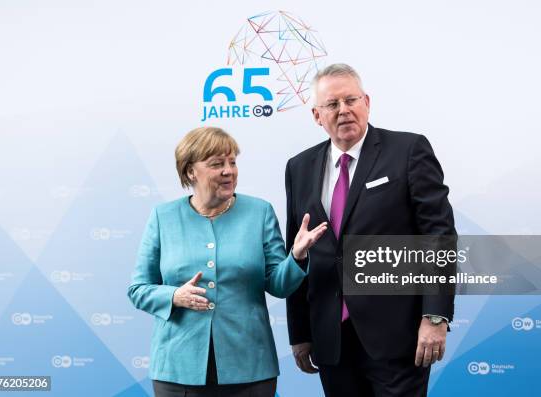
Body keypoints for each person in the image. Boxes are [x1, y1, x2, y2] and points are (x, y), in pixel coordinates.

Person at [285, 64, 456, 396]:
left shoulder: (408, 151)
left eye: (351, 100)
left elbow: (439, 237)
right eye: (332, 104)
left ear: (367, 102)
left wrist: (435, 315)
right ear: (317, 115)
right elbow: (297, 250)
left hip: (399, 336)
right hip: (331, 339)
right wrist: (300, 331)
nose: (344, 110)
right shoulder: (299, 167)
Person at [128, 127, 327, 397]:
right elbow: (138, 289)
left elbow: (279, 285)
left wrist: (297, 256)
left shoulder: (260, 212)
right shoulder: (163, 217)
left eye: (232, 162)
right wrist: (175, 295)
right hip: (177, 367)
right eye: (216, 164)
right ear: (190, 172)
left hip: (250, 366)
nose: (228, 171)